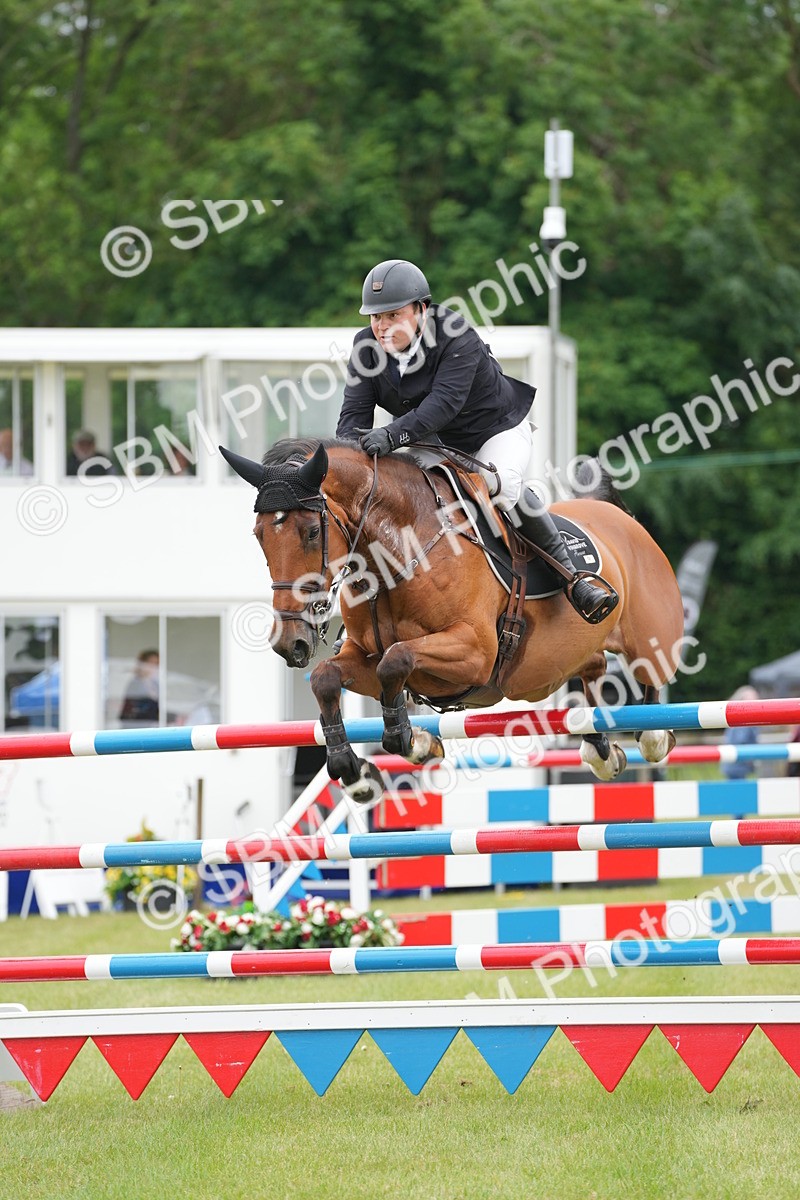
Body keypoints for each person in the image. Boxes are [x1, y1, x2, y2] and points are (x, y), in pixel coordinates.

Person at [336, 259, 618, 623]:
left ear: (422, 309)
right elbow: (352, 417)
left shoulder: (455, 334)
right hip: (432, 441)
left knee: (500, 489)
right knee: (397, 494)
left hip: (493, 431)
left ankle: (572, 578)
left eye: (393, 315)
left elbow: (444, 405)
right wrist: (346, 461)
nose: (382, 327)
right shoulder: (366, 348)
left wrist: (390, 435)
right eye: (376, 317)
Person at [721, 686, 761, 780]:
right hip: (738, 764)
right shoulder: (743, 720)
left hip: (734, 763)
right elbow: (741, 741)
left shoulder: (735, 718)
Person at [119, 649, 160, 726]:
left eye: (156, 663)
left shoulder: (155, 683)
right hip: (137, 726)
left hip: (152, 725)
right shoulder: (135, 683)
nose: (153, 666)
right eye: (151, 662)